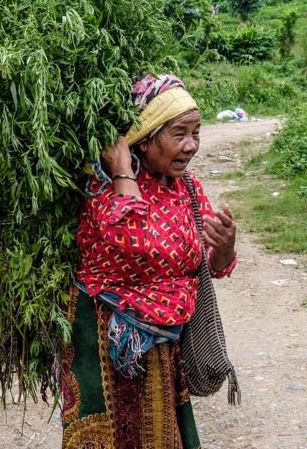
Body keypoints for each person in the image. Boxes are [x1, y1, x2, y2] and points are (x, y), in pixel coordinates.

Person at [61, 74, 237, 449]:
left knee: (160, 435)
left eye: (196, 132)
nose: (191, 146)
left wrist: (224, 248)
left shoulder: (186, 187)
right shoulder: (103, 182)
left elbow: (208, 265)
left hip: (162, 346)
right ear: (143, 137)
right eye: (178, 133)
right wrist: (124, 173)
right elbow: (135, 245)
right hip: (108, 343)